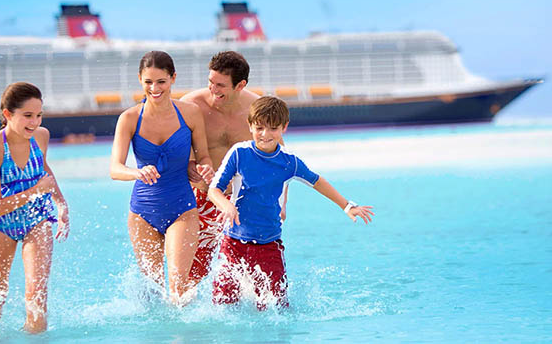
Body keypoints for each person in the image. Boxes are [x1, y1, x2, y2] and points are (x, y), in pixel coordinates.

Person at [208, 96, 374, 309]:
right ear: (250, 126)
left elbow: (317, 181)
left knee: (275, 306)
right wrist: (226, 205)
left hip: (268, 244)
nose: (265, 135)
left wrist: (347, 205)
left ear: (284, 128)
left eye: (273, 128)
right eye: (259, 128)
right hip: (233, 242)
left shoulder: (289, 162)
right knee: (222, 304)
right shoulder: (239, 153)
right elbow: (215, 190)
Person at [110, 50, 214, 304]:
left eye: (161, 82)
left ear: (173, 78)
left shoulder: (189, 113)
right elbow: (114, 168)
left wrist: (203, 169)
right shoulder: (129, 118)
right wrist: (136, 172)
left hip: (183, 208)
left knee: (178, 292)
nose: (154, 88)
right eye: (148, 82)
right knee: (153, 295)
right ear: (140, 80)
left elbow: (204, 157)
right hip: (142, 212)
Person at [0, 82, 70, 333]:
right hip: (1, 225)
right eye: (27, 116)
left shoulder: (41, 136)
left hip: (36, 219)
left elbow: (43, 169)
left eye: (39, 115)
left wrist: (61, 204)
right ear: (8, 114)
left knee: (37, 293)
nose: (35, 122)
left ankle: (35, 337)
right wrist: (35, 191)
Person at [180, 51, 263, 285]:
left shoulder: (257, 107)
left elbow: (279, 157)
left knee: (249, 273)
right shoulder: (191, 105)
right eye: (210, 82)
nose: (212, 90)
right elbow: (173, 150)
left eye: (220, 85)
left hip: (244, 200)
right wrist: (190, 166)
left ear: (240, 85)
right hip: (202, 198)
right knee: (192, 276)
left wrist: (280, 203)